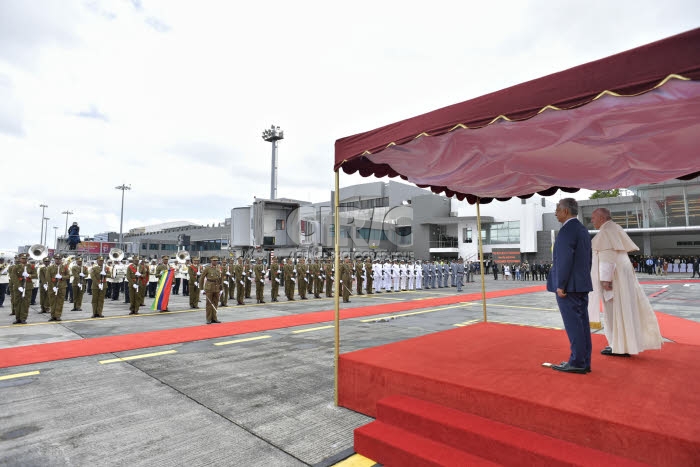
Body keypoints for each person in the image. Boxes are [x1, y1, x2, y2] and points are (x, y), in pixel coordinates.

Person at [589, 208, 663, 357]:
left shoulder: (605, 232)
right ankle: (623, 344)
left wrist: (605, 281)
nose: (592, 220)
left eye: (593, 217)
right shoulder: (615, 228)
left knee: (614, 312)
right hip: (622, 275)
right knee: (624, 309)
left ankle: (618, 345)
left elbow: (606, 260)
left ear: (602, 218)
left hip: (613, 279)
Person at [547, 198, 593, 374]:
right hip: (580, 284)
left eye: (557, 209)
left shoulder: (567, 231)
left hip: (569, 287)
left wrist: (561, 285)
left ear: (565, 211)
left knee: (574, 325)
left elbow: (564, 260)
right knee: (582, 325)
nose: (555, 213)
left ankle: (577, 362)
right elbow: (587, 259)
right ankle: (583, 361)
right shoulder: (582, 229)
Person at [11, 253, 37, 324]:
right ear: (20, 259)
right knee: (17, 303)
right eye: (22, 258)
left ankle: (23, 318)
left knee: (25, 303)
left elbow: (35, 275)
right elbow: (14, 277)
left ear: (27, 259)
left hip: (27, 287)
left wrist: (29, 275)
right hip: (18, 288)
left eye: (25, 259)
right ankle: (17, 318)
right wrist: (18, 286)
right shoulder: (16, 267)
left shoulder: (31, 267)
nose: (24, 260)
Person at [199, 255, 222, 324]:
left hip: (216, 287)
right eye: (214, 260)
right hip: (209, 287)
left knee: (215, 303)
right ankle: (208, 319)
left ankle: (214, 318)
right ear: (211, 261)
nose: (215, 262)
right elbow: (202, 278)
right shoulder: (207, 268)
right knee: (209, 304)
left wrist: (221, 288)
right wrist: (201, 289)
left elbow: (219, 279)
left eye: (216, 260)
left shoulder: (218, 268)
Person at [48, 255, 70, 322]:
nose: (58, 260)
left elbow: (68, 276)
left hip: (62, 286)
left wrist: (62, 277)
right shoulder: (50, 268)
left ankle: (58, 315)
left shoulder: (65, 267)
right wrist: (53, 286)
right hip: (52, 287)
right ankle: (52, 316)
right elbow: (48, 278)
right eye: (57, 259)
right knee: (52, 302)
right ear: (54, 259)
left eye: (59, 259)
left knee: (60, 302)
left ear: (61, 260)